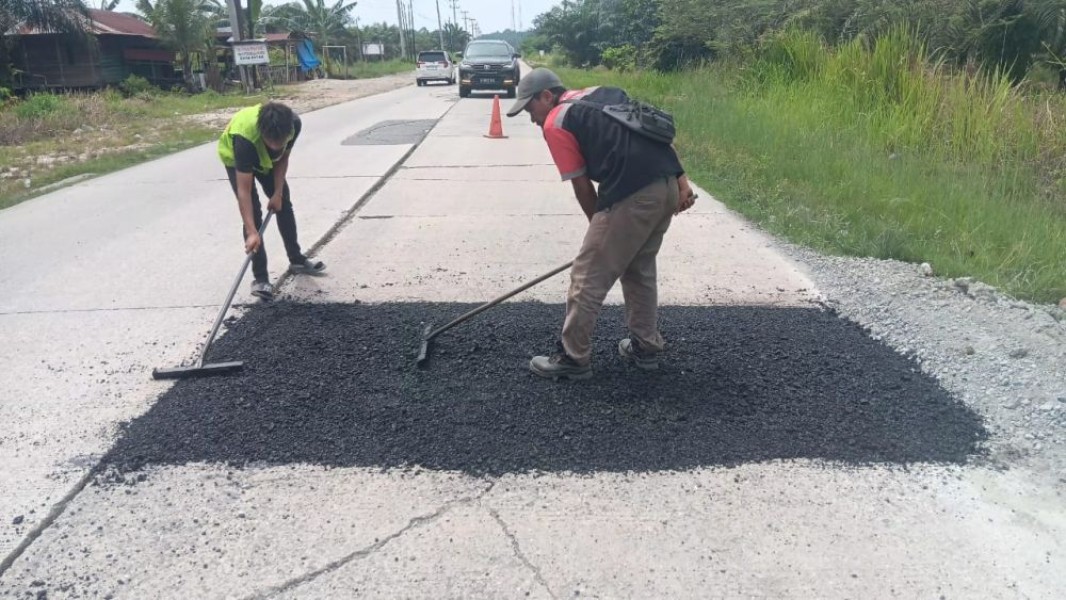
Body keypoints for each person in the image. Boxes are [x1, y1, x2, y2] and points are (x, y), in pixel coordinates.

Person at [507, 68, 697, 380]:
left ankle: (572, 357)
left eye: (530, 108)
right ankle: (645, 347)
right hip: (664, 186)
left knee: (587, 274)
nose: (531, 118)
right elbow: (653, 132)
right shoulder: (601, 92)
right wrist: (681, 182)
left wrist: (600, 236)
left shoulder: (556, 122)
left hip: (632, 192)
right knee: (639, 269)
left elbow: (582, 187)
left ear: (546, 96)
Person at [217, 101, 325, 300]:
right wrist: (251, 232)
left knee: (284, 202)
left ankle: (297, 260)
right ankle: (261, 279)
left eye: (279, 143)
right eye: (271, 142)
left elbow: (282, 159)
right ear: (262, 132)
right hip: (238, 160)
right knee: (254, 215)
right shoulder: (245, 139)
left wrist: (277, 193)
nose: (276, 147)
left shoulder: (294, 125)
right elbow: (244, 191)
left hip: (268, 163)